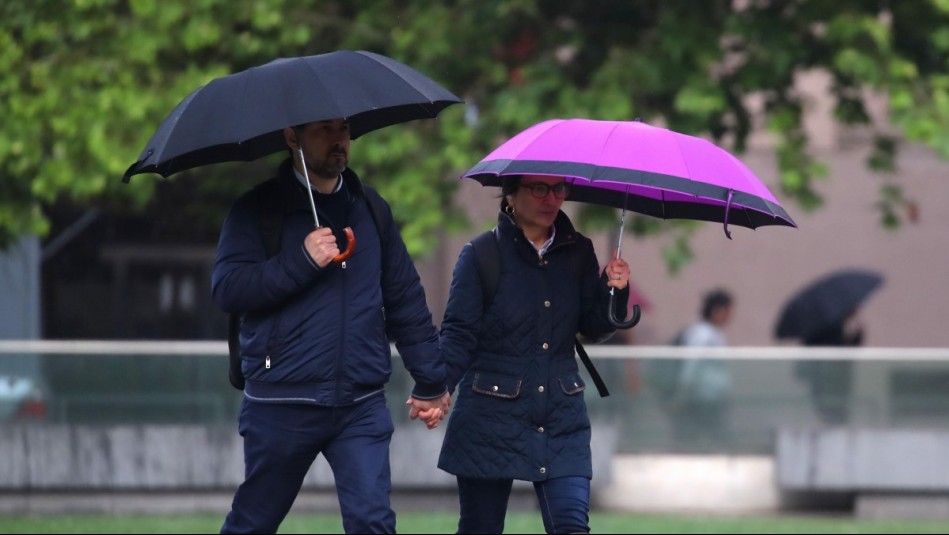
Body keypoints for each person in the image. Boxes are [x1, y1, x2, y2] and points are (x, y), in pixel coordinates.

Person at [211, 118, 450, 534]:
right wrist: (301, 261)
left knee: (373, 523)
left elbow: (405, 300)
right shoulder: (256, 210)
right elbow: (229, 290)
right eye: (324, 130)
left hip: (359, 403)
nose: (339, 140)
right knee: (252, 523)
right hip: (280, 402)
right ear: (291, 138)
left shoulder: (371, 210)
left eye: (343, 129)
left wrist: (431, 381)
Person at [436, 174, 631, 534]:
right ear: (511, 193)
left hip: (561, 414)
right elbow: (458, 335)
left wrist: (613, 291)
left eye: (559, 189)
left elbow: (592, 326)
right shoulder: (481, 255)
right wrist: (436, 388)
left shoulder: (579, 252)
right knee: (481, 527)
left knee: (571, 526)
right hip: (489, 417)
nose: (551, 198)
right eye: (539, 188)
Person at [666, 288, 734, 448]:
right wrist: (680, 396)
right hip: (701, 400)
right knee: (703, 441)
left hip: (713, 399)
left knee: (712, 440)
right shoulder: (702, 334)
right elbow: (691, 365)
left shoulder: (714, 333)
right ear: (717, 311)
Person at [797, 309, 864, 425]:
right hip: (827, 380)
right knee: (828, 410)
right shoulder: (827, 329)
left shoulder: (830, 327)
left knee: (831, 410)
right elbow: (845, 350)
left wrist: (858, 334)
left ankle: (832, 422)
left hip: (833, 381)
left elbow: (847, 350)